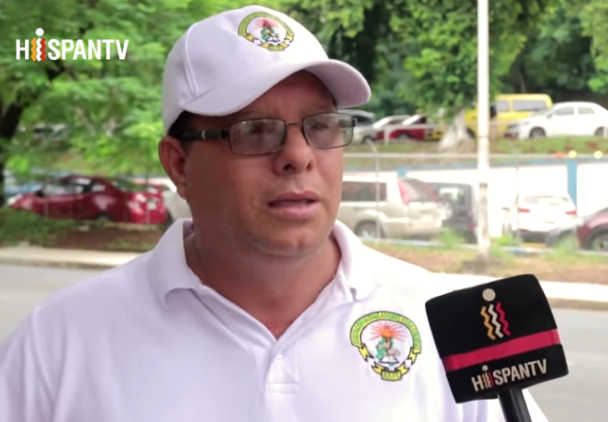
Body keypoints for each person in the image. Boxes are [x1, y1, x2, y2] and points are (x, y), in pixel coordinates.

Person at [0, 5, 548, 421]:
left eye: (321, 126)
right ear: (178, 164)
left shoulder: (452, 327)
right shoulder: (59, 345)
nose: (298, 156)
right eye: (255, 131)